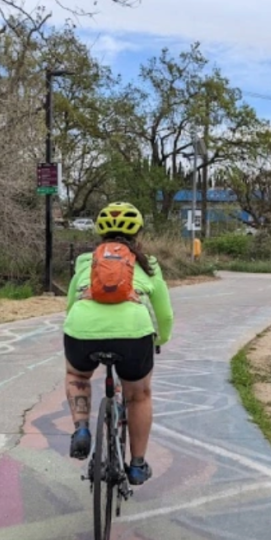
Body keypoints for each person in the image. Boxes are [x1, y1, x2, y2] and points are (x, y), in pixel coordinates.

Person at [63, 202, 174, 485]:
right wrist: (159, 339)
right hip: (134, 335)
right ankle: (137, 465)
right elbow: (164, 314)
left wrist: (80, 328)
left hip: (82, 329)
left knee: (77, 374)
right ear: (137, 233)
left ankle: (82, 429)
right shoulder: (148, 264)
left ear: (100, 233)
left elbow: (70, 304)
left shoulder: (86, 262)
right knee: (139, 396)